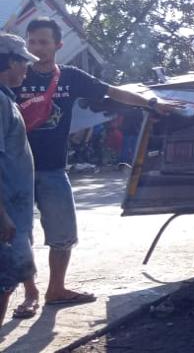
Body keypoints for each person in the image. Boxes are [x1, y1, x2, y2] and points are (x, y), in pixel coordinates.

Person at [11, 17, 183, 318]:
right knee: (20, 234)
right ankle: (31, 293)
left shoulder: (70, 77)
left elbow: (114, 92)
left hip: (53, 169)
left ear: (57, 46)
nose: (37, 48)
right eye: (32, 42)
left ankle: (56, 289)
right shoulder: (15, 75)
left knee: (63, 233)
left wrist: (151, 103)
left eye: (43, 42)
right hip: (15, 171)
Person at [0, 33, 38, 325]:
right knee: (3, 283)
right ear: (10, 61)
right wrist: (2, 215)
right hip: (5, 213)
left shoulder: (6, 99)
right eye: (23, 62)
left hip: (13, 209)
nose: (27, 69)